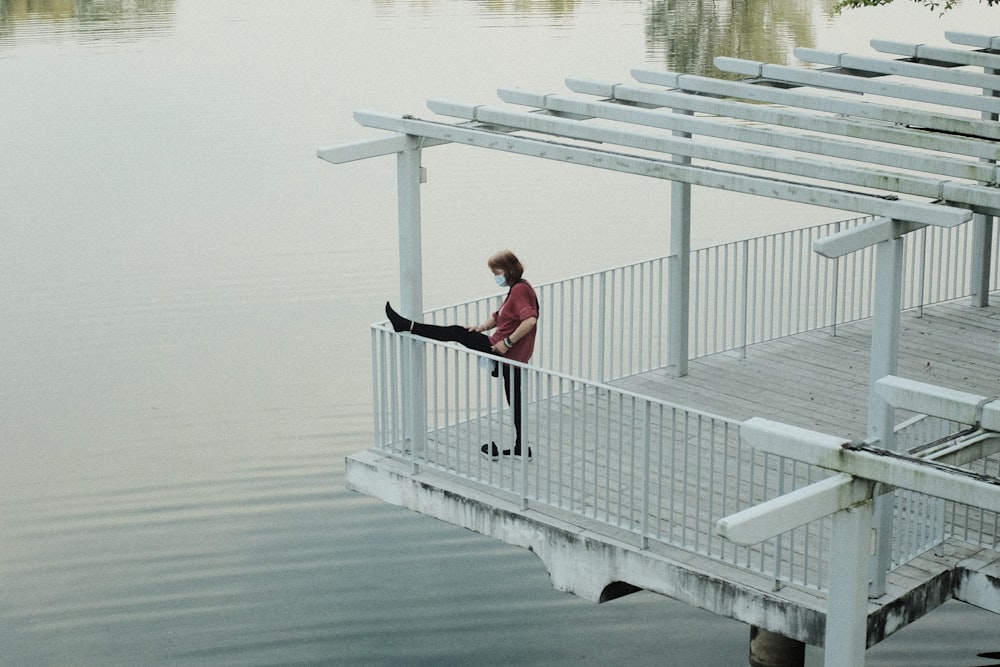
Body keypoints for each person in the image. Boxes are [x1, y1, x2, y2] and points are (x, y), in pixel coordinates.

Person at [385, 250, 539, 460]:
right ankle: (521, 448)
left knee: (455, 332)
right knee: (515, 398)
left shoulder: (520, 290)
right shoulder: (519, 287)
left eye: (497, 272)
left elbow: (530, 320)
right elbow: (502, 317)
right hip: (509, 354)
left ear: (509, 270)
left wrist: (506, 342)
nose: (495, 276)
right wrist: (481, 327)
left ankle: (406, 326)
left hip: (502, 350)